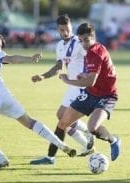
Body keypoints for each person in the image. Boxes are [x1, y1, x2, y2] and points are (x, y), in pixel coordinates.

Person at [0, 32, 77, 168]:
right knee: (29, 122)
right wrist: (30, 58)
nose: (1, 47)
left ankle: (1, 158)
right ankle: (61, 144)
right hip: (5, 95)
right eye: (0, 44)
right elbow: (12, 59)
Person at [30, 15, 94, 165]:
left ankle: (51, 157)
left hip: (81, 86)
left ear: (71, 26)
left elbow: (92, 56)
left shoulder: (79, 42)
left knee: (64, 119)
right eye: (62, 30)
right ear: (58, 30)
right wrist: (43, 76)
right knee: (61, 116)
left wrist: (89, 76)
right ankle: (87, 144)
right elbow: (58, 67)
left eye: (67, 29)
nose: (65, 32)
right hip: (71, 85)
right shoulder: (59, 46)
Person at [58, 22, 121, 162]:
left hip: (107, 95)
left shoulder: (96, 52)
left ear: (93, 37)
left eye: (86, 40)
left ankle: (114, 140)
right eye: (80, 41)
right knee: (63, 122)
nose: (83, 44)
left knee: (92, 127)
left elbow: (90, 81)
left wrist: (68, 80)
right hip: (91, 93)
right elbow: (92, 77)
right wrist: (84, 74)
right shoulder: (89, 51)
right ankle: (84, 145)